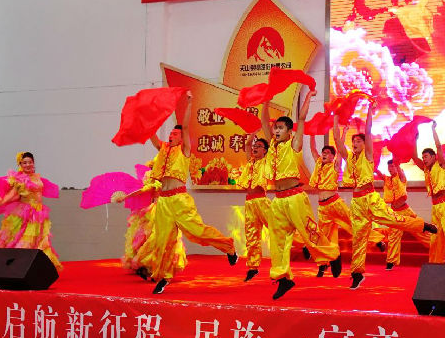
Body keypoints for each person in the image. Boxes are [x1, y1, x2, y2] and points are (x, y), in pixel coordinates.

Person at [130, 92, 239, 294]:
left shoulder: (185, 150)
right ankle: (163, 277)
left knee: (198, 233)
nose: (172, 135)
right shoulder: (163, 149)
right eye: (171, 133)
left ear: (182, 138)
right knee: (162, 241)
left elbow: (186, 127)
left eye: (175, 133)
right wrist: (143, 114)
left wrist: (189, 103)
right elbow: (151, 133)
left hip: (180, 200)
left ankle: (228, 247)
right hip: (164, 202)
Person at [334, 101, 437, 289]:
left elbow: (368, 131)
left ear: (365, 144)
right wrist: (335, 118)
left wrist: (369, 111)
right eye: (353, 142)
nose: (355, 144)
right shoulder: (349, 158)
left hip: (371, 199)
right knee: (358, 238)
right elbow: (337, 141)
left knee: (395, 221)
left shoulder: (368, 156)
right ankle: (357, 273)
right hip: (357, 203)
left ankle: (423, 225)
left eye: (358, 141)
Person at [261, 87, 342, 299]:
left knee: (309, 233)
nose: (276, 131)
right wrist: (265, 101)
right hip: (278, 201)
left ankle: (332, 255)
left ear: (290, 132)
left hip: (295, 197)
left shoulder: (294, 144)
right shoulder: (273, 147)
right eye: (276, 128)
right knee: (277, 240)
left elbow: (302, 118)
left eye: (280, 128)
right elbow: (264, 122)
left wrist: (307, 97)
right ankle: (283, 278)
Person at [306, 133, 385, 278]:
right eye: (323, 152)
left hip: (335, 204)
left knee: (354, 225)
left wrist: (343, 134)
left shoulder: (335, 165)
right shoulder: (318, 164)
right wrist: (312, 134)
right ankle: (323, 265)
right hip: (323, 208)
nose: (324, 154)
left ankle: (377, 240)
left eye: (328, 153)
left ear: (333, 156)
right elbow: (312, 149)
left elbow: (339, 147)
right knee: (323, 236)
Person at [0, 152, 63, 271]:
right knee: (24, 241)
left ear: (33, 163)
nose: (28, 165)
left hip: (39, 213)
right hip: (26, 213)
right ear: (20, 164)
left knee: (38, 240)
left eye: (30, 162)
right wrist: (2, 201)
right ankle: (16, 267)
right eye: (25, 163)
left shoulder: (37, 177)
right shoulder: (20, 179)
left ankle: (37, 269)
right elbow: (14, 194)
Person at [411, 122, 445, 263]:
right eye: (423, 157)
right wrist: (415, 139)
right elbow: (414, 157)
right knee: (435, 238)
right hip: (435, 207)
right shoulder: (426, 170)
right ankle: (436, 264)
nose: (424, 159)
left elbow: (439, 147)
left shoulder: (441, 165)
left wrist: (433, 130)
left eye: (426, 157)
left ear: (434, 157)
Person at [381, 159, 431, 270]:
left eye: (392, 166)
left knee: (420, 230)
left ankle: (435, 246)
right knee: (393, 237)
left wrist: (397, 160)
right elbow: (378, 173)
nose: (390, 168)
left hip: (406, 211)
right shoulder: (387, 179)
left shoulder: (401, 177)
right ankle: (391, 262)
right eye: (389, 167)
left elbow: (400, 171)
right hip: (394, 213)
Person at [237, 133, 272, 282]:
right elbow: (247, 145)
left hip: (262, 201)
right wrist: (252, 131)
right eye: (255, 146)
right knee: (251, 236)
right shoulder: (250, 162)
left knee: (277, 228)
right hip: (249, 203)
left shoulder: (267, 161)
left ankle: (301, 244)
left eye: (259, 146)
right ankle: (253, 267)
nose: (255, 148)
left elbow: (271, 142)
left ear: (265, 151)